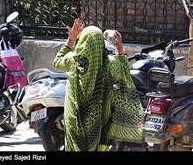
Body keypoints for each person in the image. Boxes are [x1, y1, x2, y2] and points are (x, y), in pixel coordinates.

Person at [52, 18, 144, 151]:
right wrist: (119, 47)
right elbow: (124, 70)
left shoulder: (73, 60)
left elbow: (57, 62)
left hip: (74, 118)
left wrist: (71, 40)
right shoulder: (110, 64)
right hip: (99, 120)